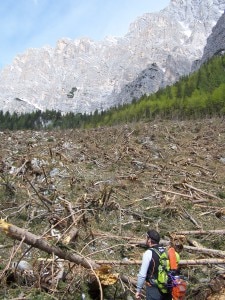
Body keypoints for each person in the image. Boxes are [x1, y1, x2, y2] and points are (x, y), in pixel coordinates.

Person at [135, 229, 165, 300]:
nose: (145, 239)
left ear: (149, 240)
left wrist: (138, 290)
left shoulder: (148, 253)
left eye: (146, 237)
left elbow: (142, 275)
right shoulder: (165, 251)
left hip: (153, 289)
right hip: (166, 288)